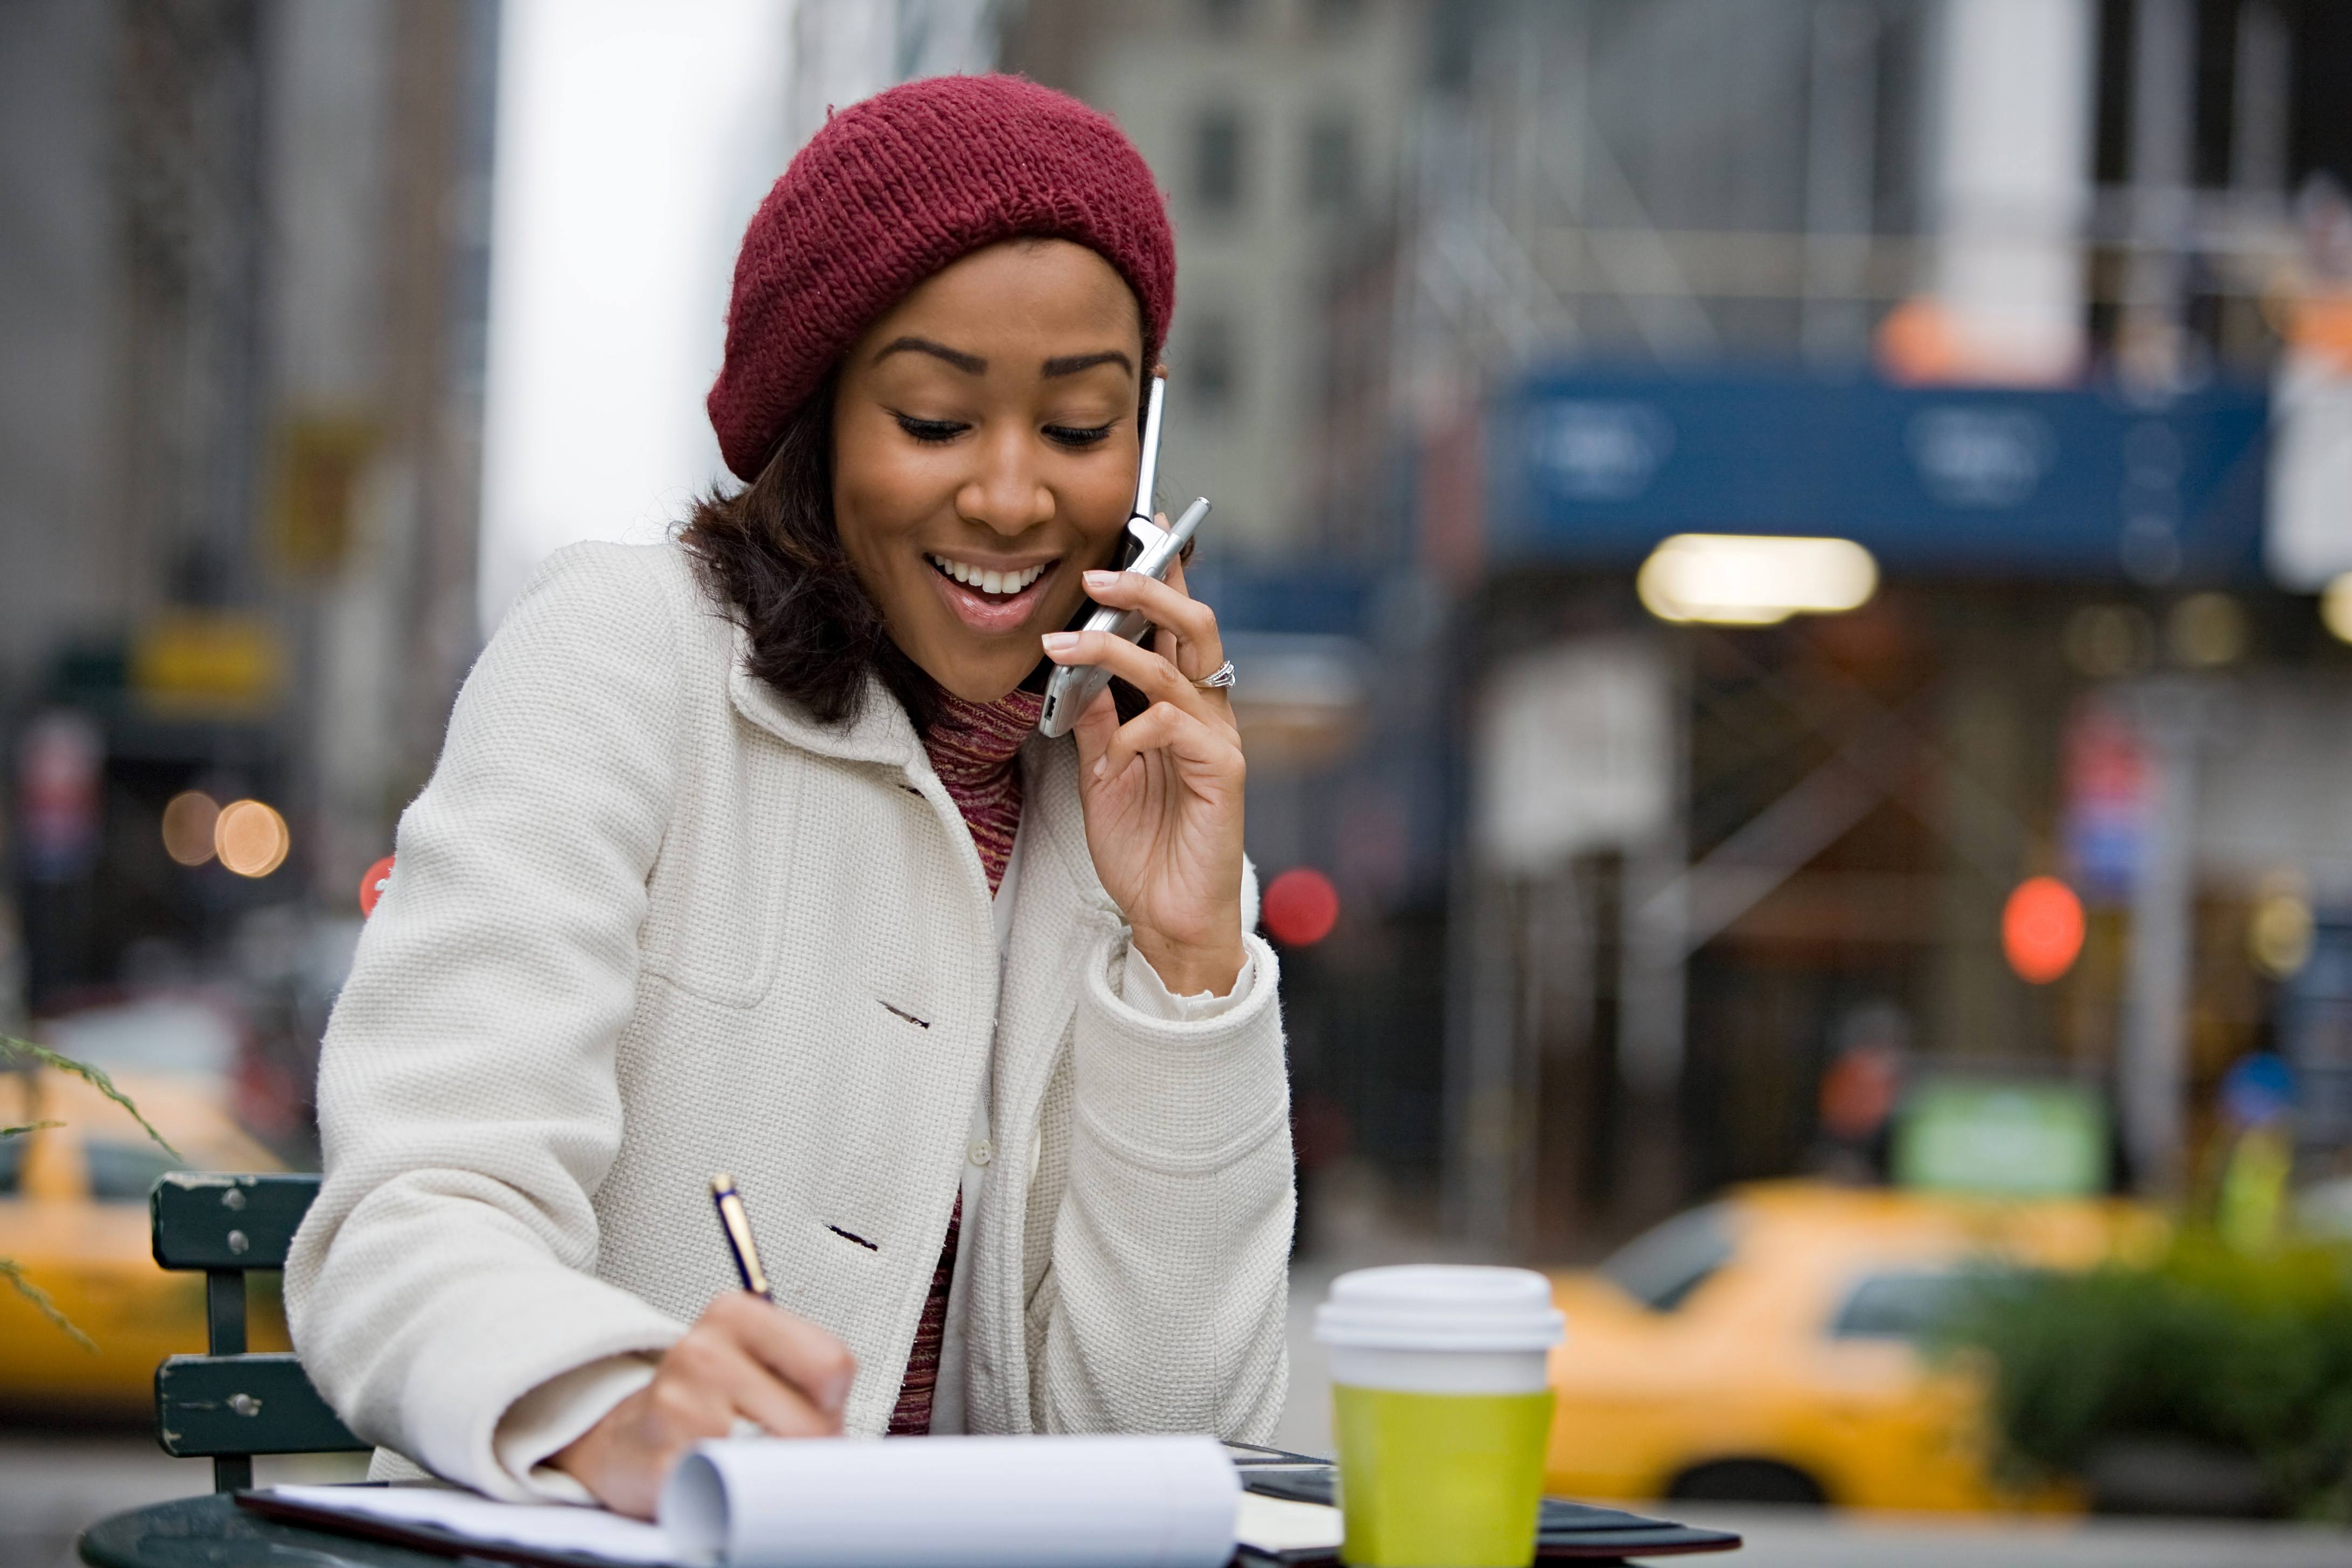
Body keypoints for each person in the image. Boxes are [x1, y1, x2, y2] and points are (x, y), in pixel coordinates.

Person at [286, 75, 1293, 1520]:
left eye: (1080, 429)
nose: (1013, 498)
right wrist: (612, 1402)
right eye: (936, 419)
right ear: (815, 426)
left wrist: (1191, 968)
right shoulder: (620, 651)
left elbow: (1168, 1438)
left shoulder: (1135, 792)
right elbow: (409, 1218)